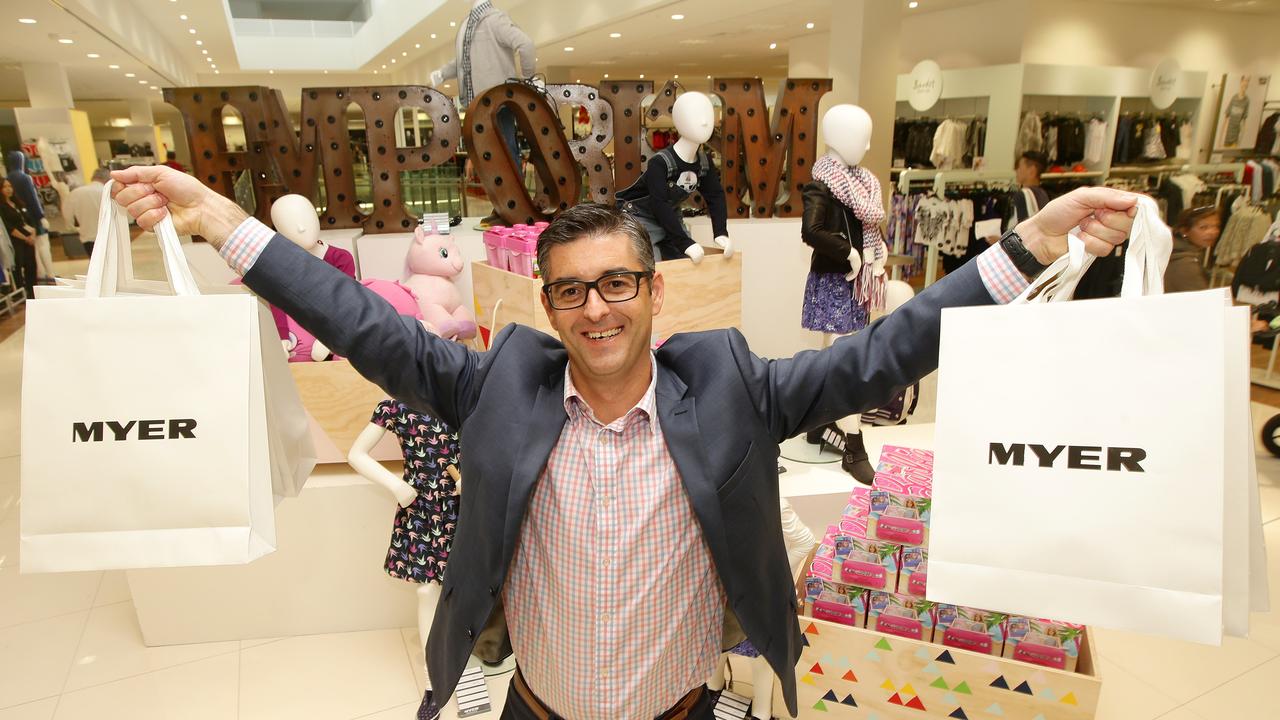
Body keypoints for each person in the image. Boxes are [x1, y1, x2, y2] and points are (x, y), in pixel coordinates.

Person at [108, 165, 1136, 720]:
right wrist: (220, 223)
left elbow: (885, 350)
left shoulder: (731, 386)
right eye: (570, 289)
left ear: (652, 291)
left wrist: (1027, 248)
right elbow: (360, 322)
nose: (594, 308)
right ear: (546, 304)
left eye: (615, 283)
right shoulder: (494, 386)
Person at [5, 150, 52, 283]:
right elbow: (33, 198)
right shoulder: (25, 177)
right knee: (43, 244)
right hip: (33, 216)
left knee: (33, 248)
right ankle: (49, 273)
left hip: (20, 218)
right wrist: (41, 216)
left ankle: (41, 272)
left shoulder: (8, 179)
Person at [1164, 205, 1221, 293]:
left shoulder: (1174, 247)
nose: (1213, 232)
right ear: (1184, 231)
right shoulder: (1185, 262)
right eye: (1203, 227)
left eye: (1216, 226)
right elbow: (1201, 301)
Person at [0, 178, 38, 298]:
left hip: (29, 240)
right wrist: (24, 238)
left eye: (10, 186)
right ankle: (20, 295)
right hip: (16, 242)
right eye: (5, 187)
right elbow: (9, 227)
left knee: (31, 266)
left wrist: (32, 234)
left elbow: (28, 221)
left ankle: (33, 292)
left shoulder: (18, 204)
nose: (8, 189)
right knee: (18, 268)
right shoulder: (2, 207)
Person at [68, 168, 111, 255]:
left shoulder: (75, 193)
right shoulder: (107, 192)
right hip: (109, 236)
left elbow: (67, 215)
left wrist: (75, 229)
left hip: (87, 237)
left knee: (95, 265)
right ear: (108, 179)